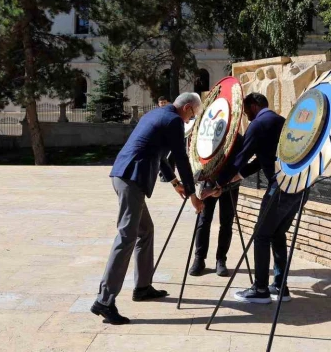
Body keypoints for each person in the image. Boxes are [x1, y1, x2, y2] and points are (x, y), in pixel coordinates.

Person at [92, 92, 204, 325]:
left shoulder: (158, 114)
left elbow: (160, 155)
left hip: (125, 176)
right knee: (126, 236)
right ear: (188, 108)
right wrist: (193, 194)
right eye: (192, 115)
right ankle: (104, 301)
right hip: (131, 179)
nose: (189, 121)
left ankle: (142, 287)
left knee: (146, 231)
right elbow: (181, 158)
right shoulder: (173, 121)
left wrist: (175, 183)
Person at [215, 92, 301, 304]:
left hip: (279, 189)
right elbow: (261, 160)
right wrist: (238, 176)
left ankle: (260, 289)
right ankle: (280, 287)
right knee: (277, 234)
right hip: (298, 188)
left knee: (261, 235)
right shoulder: (281, 121)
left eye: (246, 110)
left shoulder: (258, 124)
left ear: (254, 105)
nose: (245, 115)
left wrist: (217, 183)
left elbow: (241, 158)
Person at [189, 160, 240, 277]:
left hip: (231, 182)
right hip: (209, 180)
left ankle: (221, 259)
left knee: (226, 223)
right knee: (203, 220)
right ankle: (199, 259)